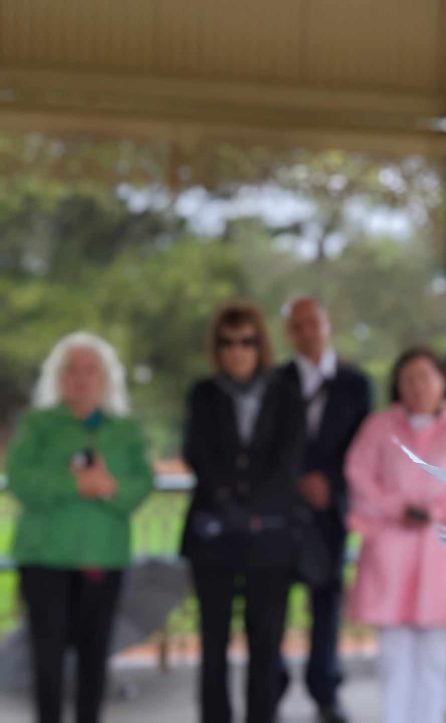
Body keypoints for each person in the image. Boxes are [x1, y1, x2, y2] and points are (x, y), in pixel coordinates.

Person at [345, 347, 446, 723]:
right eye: (408, 378)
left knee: (435, 653)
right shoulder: (379, 426)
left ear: (442, 381)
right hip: (392, 551)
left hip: (443, 551)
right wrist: (397, 507)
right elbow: (359, 475)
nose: (417, 386)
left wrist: (436, 511)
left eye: (425, 377)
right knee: (394, 652)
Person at [6, 332, 153, 723]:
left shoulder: (125, 430)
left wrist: (109, 489)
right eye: (71, 370)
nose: (81, 378)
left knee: (94, 659)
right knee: (47, 661)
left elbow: (140, 484)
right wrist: (75, 484)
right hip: (45, 560)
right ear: (58, 376)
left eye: (90, 370)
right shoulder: (38, 424)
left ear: (106, 377)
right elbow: (20, 479)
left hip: (102, 559)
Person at [180, 301, 306, 723]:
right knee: (213, 643)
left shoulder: (286, 394)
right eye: (228, 342)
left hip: (269, 537)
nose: (238, 351)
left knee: (265, 645)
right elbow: (197, 452)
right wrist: (228, 501)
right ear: (218, 348)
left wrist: (253, 507)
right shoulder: (203, 393)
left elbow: (289, 460)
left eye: (247, 342)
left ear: (260, 345)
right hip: (214, 535)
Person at [278, 296, 372, 723]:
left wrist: (330, 483)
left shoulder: (356, 383)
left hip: (330, 510)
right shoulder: (274, 381)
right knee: (272, 602)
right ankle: (270, 688)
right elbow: (265, 443)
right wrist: (296, 480)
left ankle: (325, 691)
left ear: (326, 325)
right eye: (297, 325)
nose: (307, 332)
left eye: (313, 323)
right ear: (288, 333)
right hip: (282, 508)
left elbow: (365, 447)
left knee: (327, 601)